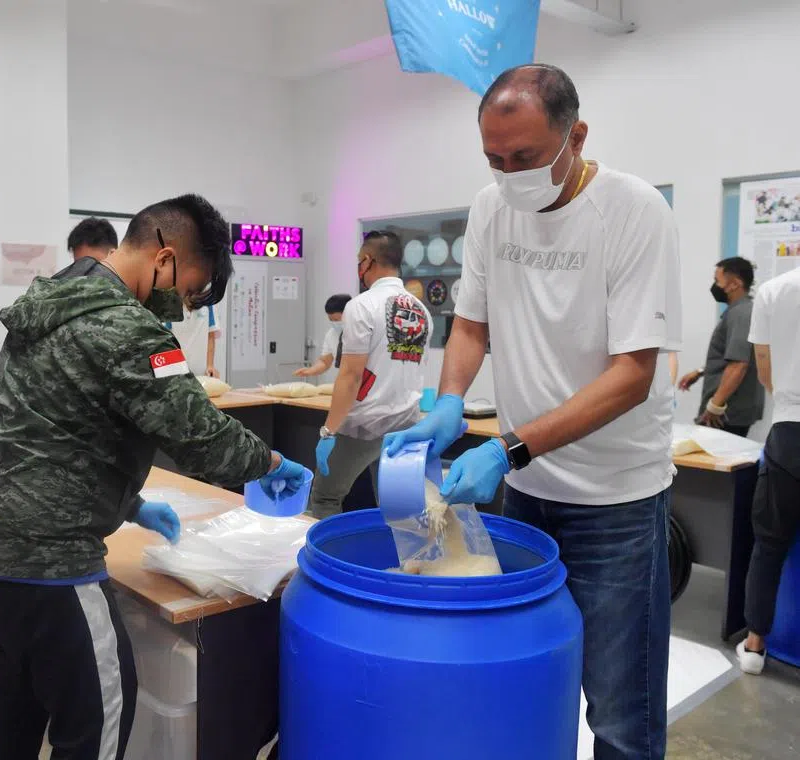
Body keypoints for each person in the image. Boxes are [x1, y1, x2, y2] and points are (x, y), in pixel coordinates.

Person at [384, 64, 681, 759]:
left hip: (617, 503)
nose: (508, 174)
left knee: (620, 711)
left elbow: (633, 374)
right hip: (527, 495)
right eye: (494, 159)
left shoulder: (634, 212)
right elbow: (470, 325)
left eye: (524, 158)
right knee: (529, 678)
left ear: (575, 135)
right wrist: (451, 400)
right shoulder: (492, 208)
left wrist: (506, 448)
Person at [0, 193, 309, 760]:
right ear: (165, 259)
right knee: (97, 725)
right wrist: (268, 462)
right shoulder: (134, 332)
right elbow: (201, 437)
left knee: (18, 709)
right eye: (192, 290)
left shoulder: (49, 303)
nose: (186, 307)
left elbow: (50, 428)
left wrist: (128, 503)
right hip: (54, 563)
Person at [311, 232, 431, 519]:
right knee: (395, 509)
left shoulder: (362, 305)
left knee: (325, 497)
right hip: (407, 426)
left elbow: (351, 375)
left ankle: (324, 563)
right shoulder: (422, 310)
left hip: (364, 426)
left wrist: (328, 431)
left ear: (367, 261)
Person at [737, 266, 800, 675]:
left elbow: (764, 368)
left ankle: (756, 645)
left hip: (789, 432)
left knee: (770, 545)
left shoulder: (775, 291)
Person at [677, 257, 764, 436]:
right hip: (728, 410)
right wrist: (701, 371)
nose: (715, 285)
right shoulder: (740, 312)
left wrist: (715, 406)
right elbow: (732, 356)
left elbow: (739, 364)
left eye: (718, 281)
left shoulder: (741, 314)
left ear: (734, 284)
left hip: (725, 413)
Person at [294, 293, 351, 379]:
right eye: (330, 320)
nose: (334, 323)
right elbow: (325, 362)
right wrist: (311, 370)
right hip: (345, 381)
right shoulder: (331, 334)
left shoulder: (362, 332)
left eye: (336, 320)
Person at [165, 303, 220, 377]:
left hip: (202, 371)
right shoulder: (171, 304)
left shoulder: (208, 302)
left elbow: (210, 335)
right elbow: (167, 338)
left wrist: (210, 365)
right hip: (179, 370)